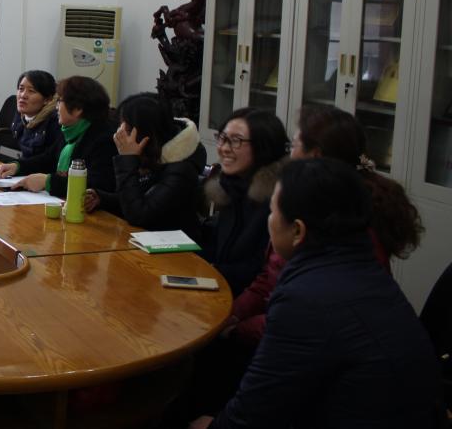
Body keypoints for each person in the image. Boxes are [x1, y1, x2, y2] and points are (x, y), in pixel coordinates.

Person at [189, 158, 444, 429]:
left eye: (272, 212)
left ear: (298, 231)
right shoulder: (364, 268)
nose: (268, 222)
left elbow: (253, 412)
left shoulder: (306, 299)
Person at [228, 104, 422, 350]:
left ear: (315, 156)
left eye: (293, 146)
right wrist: (234, 314)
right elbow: (270, 277)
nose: (288, 156)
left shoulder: (350, 226)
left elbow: (302, 318)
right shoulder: (310, 202)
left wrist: (237, 330)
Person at [85, 92, 206, 239]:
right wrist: (102, 199)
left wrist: (127, 159)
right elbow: (139, 198)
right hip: (144, 240)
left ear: (145, 133)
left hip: (174, 248)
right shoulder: (154, 155)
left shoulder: (181, 170)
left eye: (127, 129)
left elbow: (138, 214)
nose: (120, 134)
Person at [199, 107, 288, 295]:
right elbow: (215, 246)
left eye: (236, 141)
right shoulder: (231, 186)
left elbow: (260, 271)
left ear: (264, 146)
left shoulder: (278, 200)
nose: (224, 148)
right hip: (217, 287)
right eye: (222, 138)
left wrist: (211, 272)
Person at [0, 76, 117, 200]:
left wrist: (47, 182)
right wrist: (18, 166)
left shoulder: (103, 139)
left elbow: (94, 184)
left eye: (60, 101)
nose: (56, 107)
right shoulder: (70, 130)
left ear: (78, 109)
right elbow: (47, 159)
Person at [8, 70, 60, 159]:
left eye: (31, 91)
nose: (23, 95)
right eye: (21, 89)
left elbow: (49, 160)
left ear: (47, 99)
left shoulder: (55, 122)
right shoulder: (21, 114)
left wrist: (19, 165)